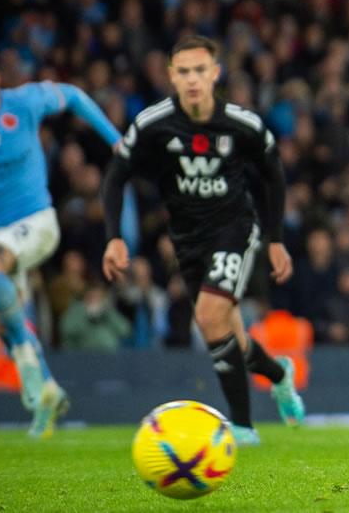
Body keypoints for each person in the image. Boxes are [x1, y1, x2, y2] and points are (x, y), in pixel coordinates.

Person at [100, 35, 305, 445]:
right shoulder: (152, 123)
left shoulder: (241, 123)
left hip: (234, 229)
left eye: (200, 70)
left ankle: (243, 428)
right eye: (184, 72)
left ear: (215, 73)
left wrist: (276, 238)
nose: (193, 79)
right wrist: (114, 238)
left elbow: (274, 174)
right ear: (171, 76)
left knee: (211, 319)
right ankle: (280, 375)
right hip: (187, 239)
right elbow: (116, 175)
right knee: (230, 337)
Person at [0, 45, 122, 437]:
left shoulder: (23, 103)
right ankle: (46, 392)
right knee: (6, 324)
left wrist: (115, 140)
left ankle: (37, 383)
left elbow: (73, 96)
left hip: (35, 221)